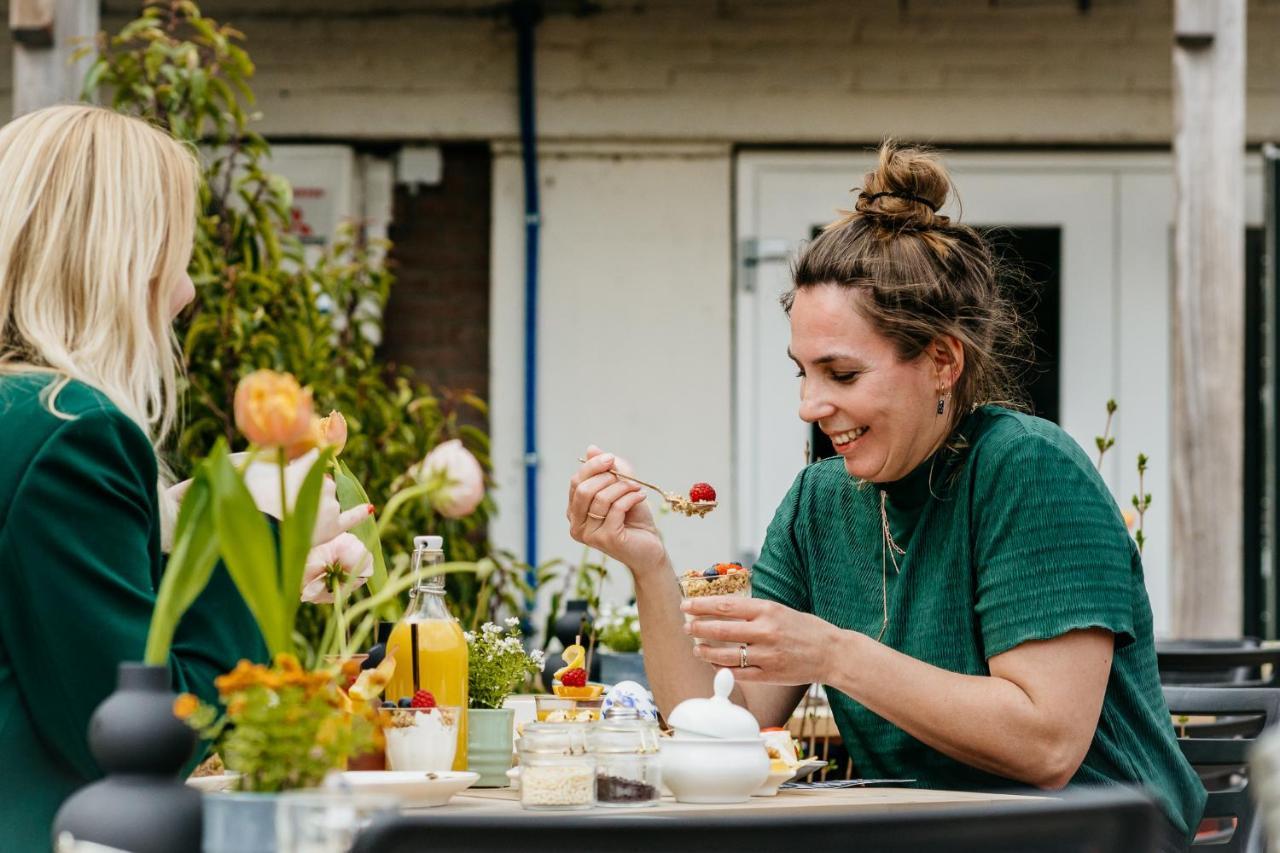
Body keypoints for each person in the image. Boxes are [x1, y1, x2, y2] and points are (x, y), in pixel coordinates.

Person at [568, 142, 1205, 847]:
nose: (810, 404)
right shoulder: (820, 499)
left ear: (941, 360)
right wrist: (649, 564)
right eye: (802, 373)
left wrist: (834, 654)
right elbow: (725, 718)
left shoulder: (1027, 468)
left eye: (840, 374)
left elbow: (1046, 744)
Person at [0, 105, 356, 850]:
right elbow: (140, 736)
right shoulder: (75, 430)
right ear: (114, 258)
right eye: (175, 253)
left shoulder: (24, 420)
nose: (188, 290)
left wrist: (176, 523)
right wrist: (260, 538)